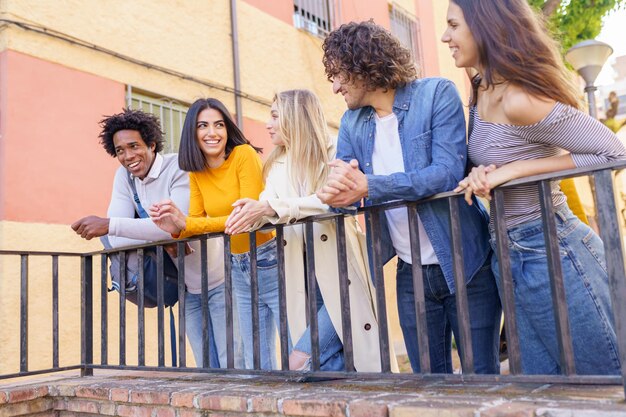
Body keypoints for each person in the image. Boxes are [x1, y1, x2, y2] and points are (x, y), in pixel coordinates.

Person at [442, 0, 626, 374]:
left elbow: (613, 151)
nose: (446, 36)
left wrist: (515, 170)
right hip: (508, 256)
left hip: (552, 249)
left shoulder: (519, 98)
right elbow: (491, 160)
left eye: (453, 26)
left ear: (484, 27)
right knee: (546, 393)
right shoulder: (480, 90)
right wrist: (482, 174)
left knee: (605, 382)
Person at [317, 21, 501, 374]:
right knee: (429, 387)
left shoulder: (436, 94)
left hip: (466, 262)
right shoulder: (352, 123)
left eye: (339, 74)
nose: (336, 86)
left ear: (364, 65)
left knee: (483, 381)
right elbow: (345, 188)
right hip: (409, 270)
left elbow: (445, 173)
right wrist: (334, 193)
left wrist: (368, 186)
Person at [224, 89, 391, 371]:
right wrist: (249, 212)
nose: (268, 123)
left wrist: (270, 208)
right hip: (298, 274)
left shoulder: (334, 149)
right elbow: (268, 202)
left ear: (295, 117)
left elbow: (332, 201)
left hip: (338, 270)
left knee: (301, 360)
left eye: (275, 116)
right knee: (329, 366)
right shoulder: (276, 163)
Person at [70, 109, 233, 369]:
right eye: (120, 150)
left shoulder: (179, 167)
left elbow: (178, 226)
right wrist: (152, 234)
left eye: (134, 146)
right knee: (207, 367)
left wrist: (115, 225)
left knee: (233, 364)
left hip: (219, 279)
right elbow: (116, 239)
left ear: (152, 144)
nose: (128, 156)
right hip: (186, 288)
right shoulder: (124, 177)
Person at [148, 98, 280, 370]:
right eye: (203, 126)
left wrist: (186, 224)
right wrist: (175, 225)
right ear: (192, 132)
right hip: (236, 260)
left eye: (219, 125)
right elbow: (196, 220)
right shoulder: (196, 171)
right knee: (256, 356)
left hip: (269, 256)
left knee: (292, 345)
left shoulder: (243, 155)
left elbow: (246, 217)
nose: (213, 133)